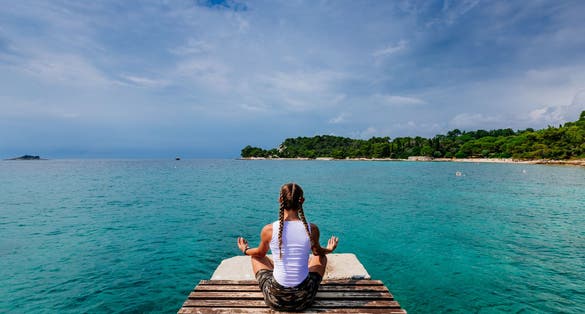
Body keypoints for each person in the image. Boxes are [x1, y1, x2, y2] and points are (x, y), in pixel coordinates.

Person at [237, 182, 339, 312]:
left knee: (255, 257)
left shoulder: (269, 229)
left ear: (280, 200)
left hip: (276, 299)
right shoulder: (311, 229)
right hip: (304, 300)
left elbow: (260, 253)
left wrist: (245, 250)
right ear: (302, 201)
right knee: (322, 257)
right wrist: (329, 249)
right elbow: (318, 252)